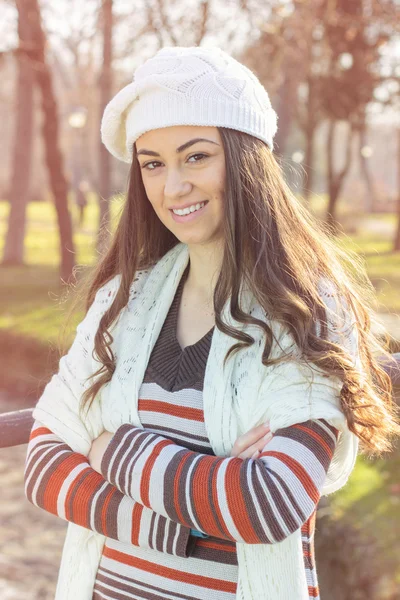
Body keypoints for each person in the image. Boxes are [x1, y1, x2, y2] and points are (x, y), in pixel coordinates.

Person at [24, 46, 399, 600]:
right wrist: (183, 520)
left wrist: (109, 451)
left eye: (196, 157)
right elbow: (42, 464)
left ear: (245, 159)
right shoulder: (123, 302)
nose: (172, 187)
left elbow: (270, 503)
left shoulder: (305, 312)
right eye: (153, 163)